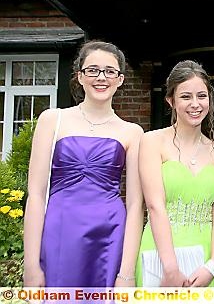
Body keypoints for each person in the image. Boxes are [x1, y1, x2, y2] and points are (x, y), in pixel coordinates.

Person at [23, 40, 144, 287]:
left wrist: (127, 272)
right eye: (93, 70)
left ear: (120, 79)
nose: (102, 77)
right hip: (59, 232)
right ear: (80, 76)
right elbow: (35, 194)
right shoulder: (52, 120)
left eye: (110, 71)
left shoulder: (132, 132)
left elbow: (134, 205)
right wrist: (31, 264)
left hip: (109, 235)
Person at [135, 60, 214, 303]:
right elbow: (155, 207)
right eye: (186, 96)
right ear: (171, 101)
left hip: (204, 257)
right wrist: (170, 268)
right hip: (160, 255)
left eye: (201, 95)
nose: (195, 104)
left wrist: (213, 265)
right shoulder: (151, 142)